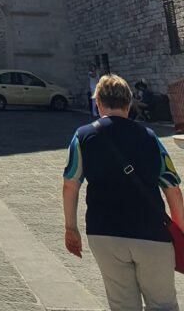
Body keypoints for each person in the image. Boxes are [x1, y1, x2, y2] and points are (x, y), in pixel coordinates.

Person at [63, 73, 184, 311]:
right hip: (151, 232)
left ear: (97, 102)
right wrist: (179, 229)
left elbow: (70, 184)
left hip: (104, 232)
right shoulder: (150, 138)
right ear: (129, 104)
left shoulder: (83, 136)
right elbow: (172, 188)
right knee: (162, 304)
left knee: (122, 305)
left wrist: (71, 228)